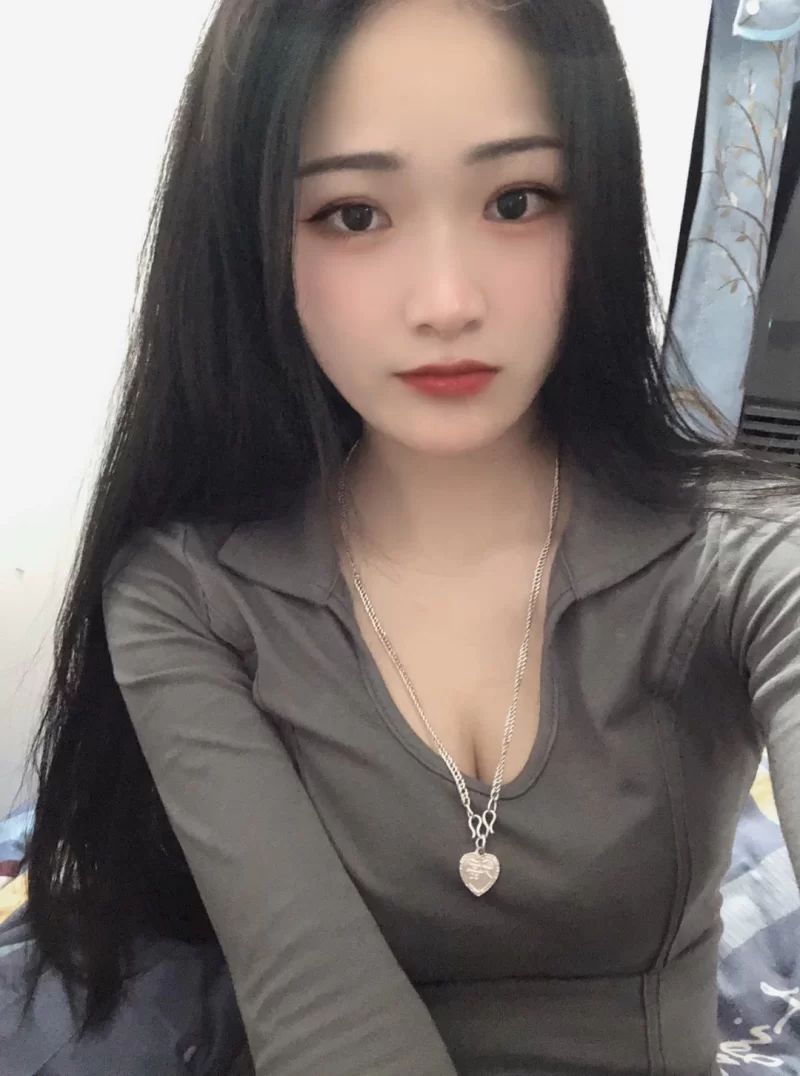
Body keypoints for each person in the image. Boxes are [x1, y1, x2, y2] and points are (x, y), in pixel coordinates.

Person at [20, 0, 800, 1073]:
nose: (445, 301)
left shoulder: (743, 557)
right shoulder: (187, 593)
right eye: (352, 214)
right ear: (253, 239)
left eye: (515, 200)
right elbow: (319, 1015)